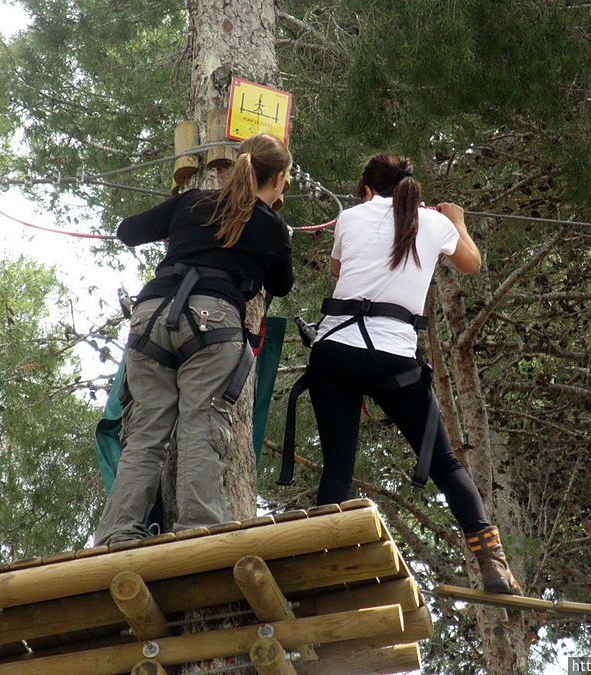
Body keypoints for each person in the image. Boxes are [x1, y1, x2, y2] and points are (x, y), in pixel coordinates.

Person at [305, 153, 521, 594]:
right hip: (394, 360)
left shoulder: (349, 218)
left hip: (335, 352)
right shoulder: (434, 223)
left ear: (367, 190)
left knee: (338, 466)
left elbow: (337, 270)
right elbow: (472, 264)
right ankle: (492, 564)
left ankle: (321, 565)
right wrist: (457, 222)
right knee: (444, 462)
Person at [95, 133, 294, 546]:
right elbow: (282, 283)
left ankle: (117, 533)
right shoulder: (272, 225)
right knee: (201, 427)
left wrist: (176, 230)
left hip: (152, 316)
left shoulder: (192, 203)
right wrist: (271, 224)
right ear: (277, 181)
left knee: (146, 432)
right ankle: (198, 531)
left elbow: (128, 231)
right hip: (214, 321)